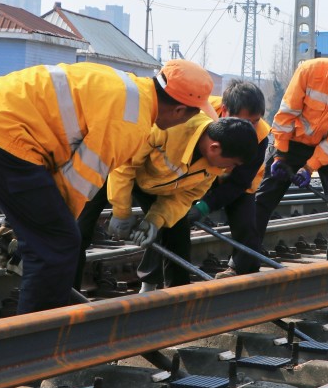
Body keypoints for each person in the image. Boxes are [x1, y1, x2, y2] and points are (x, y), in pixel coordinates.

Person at [0, 59, 211, 332]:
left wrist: (21, 228)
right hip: (7, 132)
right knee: (59, 246)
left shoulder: (127, 87)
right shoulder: (132, 120)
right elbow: (76, 183)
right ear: (180, 111)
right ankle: (30, 358)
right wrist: (38, 237)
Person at [77, 113, 257, 290]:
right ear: (215, 148)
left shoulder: (212, 166)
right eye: (232, 163)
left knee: (178, 233)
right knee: (78, 229)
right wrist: (121, 211)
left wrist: (154, 221)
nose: (230, 169)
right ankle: (65, 301)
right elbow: (125, 165)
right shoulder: (171, 126)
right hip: (113, 166)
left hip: (155, 183)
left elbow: (184, 197)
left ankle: (178, 301)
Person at [254, 33, 328, 260]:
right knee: (263, 199)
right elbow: (286, 115)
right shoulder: (309, 71)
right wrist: (280, 154)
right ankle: (242, 263)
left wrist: (310, 167)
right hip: (291, 142)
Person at [186, 80, 271, 279]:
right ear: (225, 111)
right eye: (245, 121)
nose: (250, 129)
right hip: (197, 173)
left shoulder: (260, 136)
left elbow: (239, 183)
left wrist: (205, 206)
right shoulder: (200, 114)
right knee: (176, 219)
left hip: (235, 180)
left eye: (255, 121)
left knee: (246, 223)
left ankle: (243, 270)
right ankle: (163, 274)